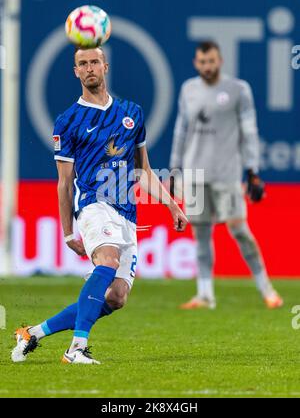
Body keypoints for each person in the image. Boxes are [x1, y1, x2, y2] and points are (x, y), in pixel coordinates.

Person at [12, 46, 188, 364]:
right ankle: (76, 349)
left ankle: (32, 334)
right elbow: (64, 183)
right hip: (94, 205)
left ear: (105, 66)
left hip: (128, 213)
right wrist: (68, 233)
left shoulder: (132, 113)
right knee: (105, 262)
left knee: (117, 296)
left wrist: (171, 205)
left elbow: (143, 171)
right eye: (83, 64)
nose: (90, 67)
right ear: (75, 72)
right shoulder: (67, 122)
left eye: (95, 61)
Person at [169, 41, 283, 310]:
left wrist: (252, 170)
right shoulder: (188, 89)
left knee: (239, 230)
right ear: (196, 63)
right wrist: (174, 169)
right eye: (202, 62)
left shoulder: (238, 90)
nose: (207, 66)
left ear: (220, 61)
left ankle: (266, 288)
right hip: (194, 173)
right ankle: (205, 294)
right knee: (201, 234)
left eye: (211, 61)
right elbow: (181, 131)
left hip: (227, 174)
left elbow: (249, 130)